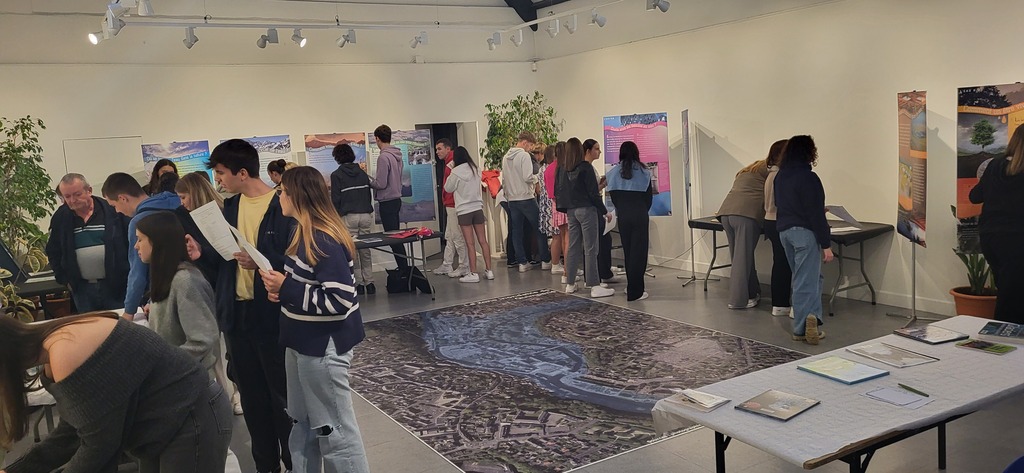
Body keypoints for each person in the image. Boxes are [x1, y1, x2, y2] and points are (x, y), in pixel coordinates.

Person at [0, 313, 231, 472]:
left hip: (192, 415)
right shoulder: (52, 351)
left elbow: (99, 446)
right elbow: (72, 432)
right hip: (169, 424)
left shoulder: (64, 351)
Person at [258, 166, 370, 473]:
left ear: (298, 196)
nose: (279, 196)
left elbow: (340, 301)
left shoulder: (323, 241)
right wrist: (282, 292)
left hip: (322, 348)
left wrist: (287, 289)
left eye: (283, 191)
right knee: (303, 424)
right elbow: (304, 287)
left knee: (335, 432)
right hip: (302, 343)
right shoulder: (302, 234)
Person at [207, 138, 295, 473]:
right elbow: (223, 261)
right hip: (237, 317)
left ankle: (294, 462)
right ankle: (265, 466)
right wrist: (201, 254)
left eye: (221, 172)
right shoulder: (229, 208)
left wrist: (259, 261)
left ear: (242, 173)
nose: (218, 180)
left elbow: (294, 261)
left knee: (282, 398)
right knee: (252, 399)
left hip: (272, 314)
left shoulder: (281, 205)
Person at [174, 171, 245, 415]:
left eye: (184, 197)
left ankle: (237, 392)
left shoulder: (223, 213)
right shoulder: (180, 216)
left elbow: (229, 253)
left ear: (195, 193)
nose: (182, 202)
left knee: (232, 346)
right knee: (213, 346)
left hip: (225, 284)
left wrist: (202, 253)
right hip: (201, 284)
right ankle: (224, 396)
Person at [134, 211, 218, 371]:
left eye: (140, 239)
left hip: (190, 377)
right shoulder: (168, 278)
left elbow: (202, 340)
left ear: (157, 241)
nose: (136, 245)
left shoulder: (185, 281)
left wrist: (161, 364)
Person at [775, 135, 833, 345]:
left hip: (784, 232)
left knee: (810, 278)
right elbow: (815, 214)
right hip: (804, 233)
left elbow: (782, 204)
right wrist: (826, 244)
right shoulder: (809, 178)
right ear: (810, 152)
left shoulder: (780, 176)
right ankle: (802, 328)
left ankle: (812, 318)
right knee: (805, 281)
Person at [100, 172, 182, 318]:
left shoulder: (139, 222)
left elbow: (137, 272)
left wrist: (129, 311)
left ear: (123, 198)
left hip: (165, 294)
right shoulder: (178, 204)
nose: (117, 211)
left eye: (114, 205)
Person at [45, 173, 130, 313]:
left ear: (89, 190)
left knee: (118, 323)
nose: (72, 200)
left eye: (77, 194)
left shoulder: (111, 210)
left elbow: (129, 243)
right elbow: (53, 250)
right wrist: (64, 278)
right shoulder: (61, 217)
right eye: (67, 197)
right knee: (89, 324)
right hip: (82, 290)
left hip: (116, 286)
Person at [969, 125, 1024, 323]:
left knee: (1007, 290)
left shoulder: (994, 165)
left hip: (991, 237)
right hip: (1017, 240)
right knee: (1013, 296)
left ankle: (1004, 334)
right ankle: (1003, 334)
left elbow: (974, 196)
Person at [556, 138, 615, 298]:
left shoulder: (562, 169)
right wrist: (605, 211)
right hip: (587, 210)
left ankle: (570, 283)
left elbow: (558, 191)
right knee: (591, 248)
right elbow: (593, 193)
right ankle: (594, 285)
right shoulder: (585, 168)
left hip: (571, 211)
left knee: (573, 247)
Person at [717, 158, 770, 310]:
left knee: (740, 257)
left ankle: (752, 293)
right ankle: (738, 300)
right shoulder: (770, 172)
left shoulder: (745, 172)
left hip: (726, 214)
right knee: (743, 259)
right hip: (745, 215)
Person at [606, 141, 653, 301]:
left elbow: (614, 198)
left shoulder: (613, 173)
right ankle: (636, 292)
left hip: (623, 216)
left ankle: (630, 286)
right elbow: (648, 199)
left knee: (628, 251)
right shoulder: (644, 172)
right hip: (640, 215)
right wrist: (641, 210)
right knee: (639, 253)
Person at [330, 143, 376, 294]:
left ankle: (359, 284)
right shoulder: (362, 173)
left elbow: (335, 200)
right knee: (366, 250)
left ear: (337, 157)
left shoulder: (336, 175)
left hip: (349, 216)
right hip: (365, 214)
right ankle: (370, 282)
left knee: (352, 250)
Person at [501, 131, 551, 272]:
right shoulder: (524, 156)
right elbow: (528, 177)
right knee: (539, 228)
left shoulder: (506, 157)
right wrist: (538, 176)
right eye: (530, 146)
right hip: (526, 198)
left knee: (516, 231)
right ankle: (545, 260)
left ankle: (522, 262)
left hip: (512, 199)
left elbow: (504, 180)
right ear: (525, 142)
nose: (530, 149)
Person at [444, 146, 495, 283]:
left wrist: (451, 170)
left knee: (470, 244)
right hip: (477, 208)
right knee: (483, 241)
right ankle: (489, 271)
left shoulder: (455, 172)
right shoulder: (476, 169)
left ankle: (473, 273)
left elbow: (448, 188)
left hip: (464, 210)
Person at [367, 124, 409, 271]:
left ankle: (404, 270)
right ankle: (404, 268)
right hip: (396, 199)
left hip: (387, 201)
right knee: (396, 237)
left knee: (393, 239)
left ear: (377, 139)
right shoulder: (397, 156)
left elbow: (381, 183)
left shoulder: (383, 157)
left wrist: (366, 179)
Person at [763, 139, 793, 317]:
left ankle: (779, 303)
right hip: (779, 221)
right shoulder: (781, 176)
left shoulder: (771, 174)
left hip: (770, 221)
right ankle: (781, 303)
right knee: (785, 264)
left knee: (780, 263)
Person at [432, 138, 469, 278]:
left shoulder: (452, 165)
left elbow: (450, 187)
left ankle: (463, 266)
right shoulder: (453, 163)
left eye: (439, 149)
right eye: (436, 149)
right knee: (450, 235)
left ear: (448, 149)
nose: (437, 152)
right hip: (452, 204)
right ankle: (447, 263)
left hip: (454, 204)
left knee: (457, 236)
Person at [584, 139, 618, 284]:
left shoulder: (590, 168)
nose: (599, 152)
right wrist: (602, 186)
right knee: (600, 241)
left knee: (603, 240)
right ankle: (601, 274)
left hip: (594, 207)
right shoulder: (587, 169)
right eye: (596, 149)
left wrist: (601, 183)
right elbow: (591, 192)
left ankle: (603, 272)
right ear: (588, 151)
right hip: (593, 208)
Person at [544, 142, 569, 275]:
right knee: (567, 238)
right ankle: (568, 269)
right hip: (565, 204)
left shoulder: (548, 169)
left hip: (554, 204)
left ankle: (558, 265)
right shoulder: (564, 167)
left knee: (558, 237)